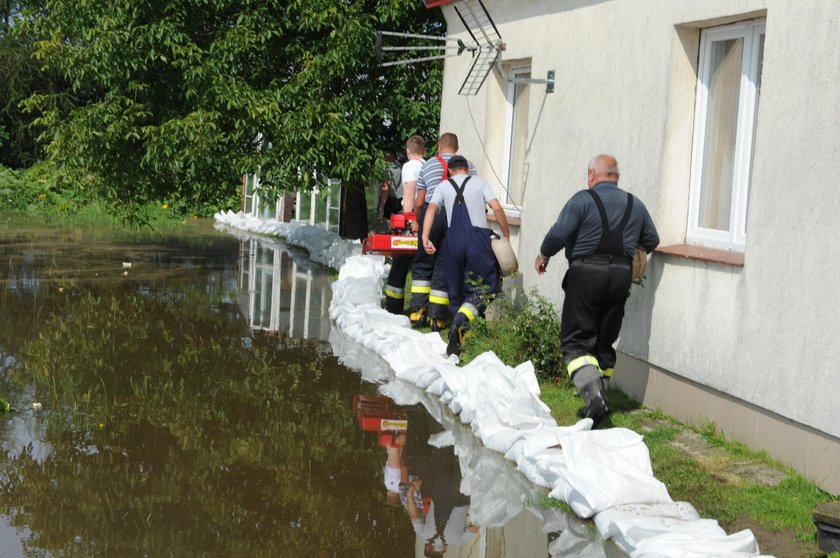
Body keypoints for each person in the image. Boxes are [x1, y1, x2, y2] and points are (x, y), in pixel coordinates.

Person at [534, 154, 659, 426]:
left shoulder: (582, 200)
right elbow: (651, 240)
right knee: (604, 340)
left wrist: (544, 254)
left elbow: (559, 232)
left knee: (576, 341)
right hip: (620, 277)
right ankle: (600, 397)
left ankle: (594, 399)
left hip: (586, 273)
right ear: (617, 177)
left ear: (592, 175)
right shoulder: (635, 204)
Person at [422, 155, 510, 357]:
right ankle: (461, 324)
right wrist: (505, 234)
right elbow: (496, 207)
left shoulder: (443, 186)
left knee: (456, 287)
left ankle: (458, 331)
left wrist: (426, 237)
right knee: (482, 286)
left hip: (452, 241)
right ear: (466, 170)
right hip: (478, 240)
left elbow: (432, 209)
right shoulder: (480, 183)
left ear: (450, 171)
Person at [409, 133, 476, 330]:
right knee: (443, 265)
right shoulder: (468, 166)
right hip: (455, 214)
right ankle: (436, 318)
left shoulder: (427, 165)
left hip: (433, 212)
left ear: (439, 146)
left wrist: (418, 221)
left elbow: (419, 201)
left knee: (422, 262)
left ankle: (417, 311)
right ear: (457, 147)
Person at [384, 135, 425, 314]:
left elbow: (409, 193)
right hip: (426, 219)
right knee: (421, 266)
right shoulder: (429, 166)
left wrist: (405, 219)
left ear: (408, 152)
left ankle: (393, 306)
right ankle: (420, 309)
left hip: (411, 220)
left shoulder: (409, 166)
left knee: (400, 262)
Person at [377, 151, 405, 220]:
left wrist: (381, 208)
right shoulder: (402, 167)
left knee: (388, 226)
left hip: (390, 201)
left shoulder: (388, 168)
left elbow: (386, 187)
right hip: (401, 201)